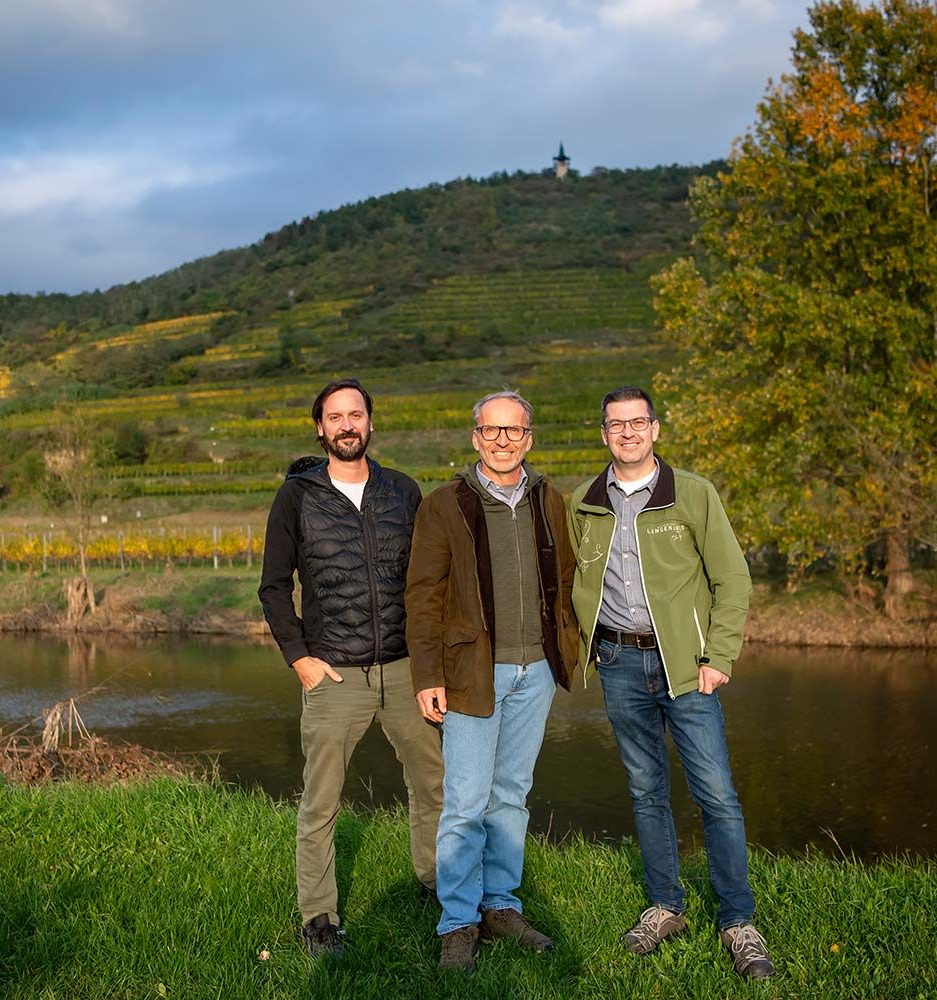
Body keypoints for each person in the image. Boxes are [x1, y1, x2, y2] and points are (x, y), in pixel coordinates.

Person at [568, 385, 774, 980]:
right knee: (645, 790)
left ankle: (738, 920)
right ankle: (666, 906)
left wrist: (720, 656)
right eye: (616, 424)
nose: (627, 432)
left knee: (716, 794)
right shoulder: (586, 503)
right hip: (618, 663)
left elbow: (733, 580)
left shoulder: (693, 494)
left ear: (655, 429)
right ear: (603, 433)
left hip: (686, 668)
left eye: (638, 422)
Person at [258, 377, 444, 957]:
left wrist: (431, 659)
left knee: (433, 786)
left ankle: (438, 885)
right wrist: (301, 659)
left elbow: (426, 582)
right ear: (320, 427)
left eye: (355, 414)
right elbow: (271, 587)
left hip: (406, 668)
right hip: (334, 673)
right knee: (321, 802)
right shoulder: (298, 497)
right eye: (335, 416)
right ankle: (319, 919)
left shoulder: (403, 491)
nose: (346, 425)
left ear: (370, 423)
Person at [406, 389, 579, 973]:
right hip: (472, 672)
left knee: (511, 796)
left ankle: (501, 904)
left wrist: (568, 653)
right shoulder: (444, 505)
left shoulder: (549, 499)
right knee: (464, 801)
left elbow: (569, 579)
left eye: (514, 431)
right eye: (491, 430)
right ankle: (458, 921)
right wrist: (427, 674)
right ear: (476, 436)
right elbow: (423, 597)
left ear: (528, 438)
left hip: (536, 673)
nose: (503, 440)